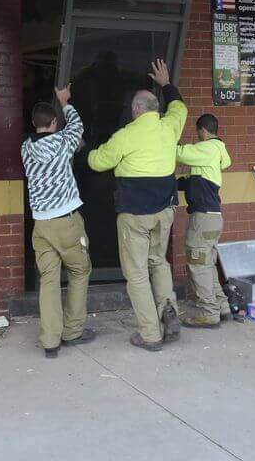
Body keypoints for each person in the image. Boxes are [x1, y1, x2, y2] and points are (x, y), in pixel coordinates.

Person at [87, 59, 187, 351]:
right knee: (159, 262)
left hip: (135, 215)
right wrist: (166, 84)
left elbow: (98, 162)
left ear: (136, 109)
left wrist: (85, 150)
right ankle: (168, 309)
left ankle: (150, 334)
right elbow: (179, 107)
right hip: (164, 211)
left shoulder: (126, 135)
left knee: (137, 273)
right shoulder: (170, 126)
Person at [21, 85, 95, 358]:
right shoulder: (63, 142)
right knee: (80, 271)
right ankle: (72, 331)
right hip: (67, 222)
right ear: (53, 122)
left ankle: (50, 341)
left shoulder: (26, 148)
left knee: (49, 280)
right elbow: (78, 126)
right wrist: (65, 102)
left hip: (41, 225)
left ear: (34, 123)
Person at [176, 114, 232, 328]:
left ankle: (208, 313)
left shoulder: (207, 148)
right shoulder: (217, 152)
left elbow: (179, 153)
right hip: (214, 218)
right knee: (207, 265)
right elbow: (197, 180)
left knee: (198, 264)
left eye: (198, 132)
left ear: (203, 131)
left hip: (203, 218)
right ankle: (222, 306)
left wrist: (162, 140)